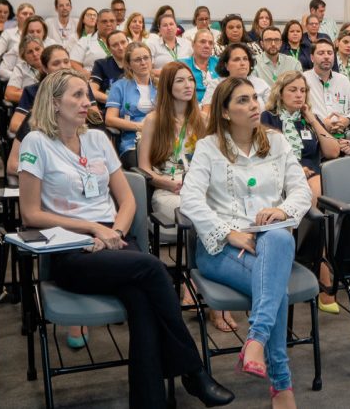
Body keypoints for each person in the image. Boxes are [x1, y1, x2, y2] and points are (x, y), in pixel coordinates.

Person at [18, 70, 233, 409]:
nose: (86, 101)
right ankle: (193, 371)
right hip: (72, 247)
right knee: (154, 270)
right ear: (54, 102)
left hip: (115, 240)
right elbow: (30, 214)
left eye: (87, 94)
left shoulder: (97, 139)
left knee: (142, 301)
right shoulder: (36, 142)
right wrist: (93, 229)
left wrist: (115, 232)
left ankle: (151, 401)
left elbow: (128, 200)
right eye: (77, 95)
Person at [180, 78, 311, 409]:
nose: (254, 105)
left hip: (269, 242)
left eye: (254, 97)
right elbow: (189, 200)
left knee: (278, 236)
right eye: (242, 100)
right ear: (225, 112)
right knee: (274, 287)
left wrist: (282, 210)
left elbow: (302, 191)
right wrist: (228, 232)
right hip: (221, 249)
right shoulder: (209, 147)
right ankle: (281, 383)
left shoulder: (277, 142)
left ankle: (256, 339)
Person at [260, 70, 343, 313]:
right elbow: (264, 153)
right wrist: (295, 170)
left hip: (311, 177)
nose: (299, 95)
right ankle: (321, 273)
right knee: (316, 196)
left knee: (320, 193)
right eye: (293, 90)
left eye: (303, 90)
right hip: (278, 176)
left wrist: (312, 119)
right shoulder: (268, 118)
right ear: (280, 93)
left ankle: (309, 262)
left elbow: (333, 152)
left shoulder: (308, 119)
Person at [138, 61, 205, 245]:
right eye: (180, 81)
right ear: (167, 86)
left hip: (199, 189)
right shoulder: (153, 120)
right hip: (168, 192)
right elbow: (144, 168)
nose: (188, 85)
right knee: (197, 211)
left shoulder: (203, 119)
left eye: (190, 79)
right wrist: (166, 183)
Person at [105, 42, 157, 168]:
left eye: (146, 58)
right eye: (137, 60)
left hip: (160, 140)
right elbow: (109, 119)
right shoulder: (119, 86)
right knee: (143, 166)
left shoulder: (161, 85)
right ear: (128, 64)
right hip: (132, 142)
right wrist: (140, 127)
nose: (143, 62)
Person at [303, 39, 350, 138]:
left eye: (330, 53)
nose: (326, 57)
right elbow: (299, 110)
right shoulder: (303, 79)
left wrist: (347, 120)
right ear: (312, 58)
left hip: (343, 135)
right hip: (314, 134)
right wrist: (320, 124)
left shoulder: (343, 80)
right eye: (321, 53)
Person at [202, 43, 271, 109]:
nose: (242, 63)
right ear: (226, 65)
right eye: (236, 60)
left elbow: (272, 110)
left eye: (245, 59)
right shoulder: (215, 85)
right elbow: (206, 111)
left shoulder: (261, 83)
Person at [0, 15, 47, 82]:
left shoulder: (52, 45)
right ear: (25, 33)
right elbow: (1, 71)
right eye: (31, 32)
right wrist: (20, 77)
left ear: (44, 32)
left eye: (38, 31)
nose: (35, 35)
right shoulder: (17, 48)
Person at [0, 2, 35, 71]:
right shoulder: (8, 33)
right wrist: (9, 59)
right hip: (13, 70)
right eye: (24, 14)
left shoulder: (38, 33)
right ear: (17, 16)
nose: (28, 16)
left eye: (31, 14)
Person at [71, 8, 118, 73]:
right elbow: (73, 63)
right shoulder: (85, 41)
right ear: (97, 23)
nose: (108, 24)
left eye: (112, 21)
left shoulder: (126, 40)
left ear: (116, 23)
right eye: (104, 21)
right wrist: (88, 76)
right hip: (92, 76)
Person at [89, 30, 130, 104]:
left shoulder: (139, 62)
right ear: (109, 48)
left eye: (123, 42)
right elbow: (92, 91)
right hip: (108, 106)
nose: (120, 47)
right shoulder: (101, 64)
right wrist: (116, 102)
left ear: (128, 42)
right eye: (115, 45)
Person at [183, 30, 220, 103]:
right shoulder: (182, 65)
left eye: (210, 43)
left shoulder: (220, 63)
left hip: (217, 105)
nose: (207, 46)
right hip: (191, 106)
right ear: (193, 44)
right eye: (202, 42)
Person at [5, 36, 45, 103]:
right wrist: (39, 98)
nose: (35, 54)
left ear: (43, 49)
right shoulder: (20, 68)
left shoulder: (51, 64)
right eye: (30, 52)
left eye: (37, 49)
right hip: (30, 107)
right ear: (23, 57)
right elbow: (9, 95)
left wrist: (25, 92)